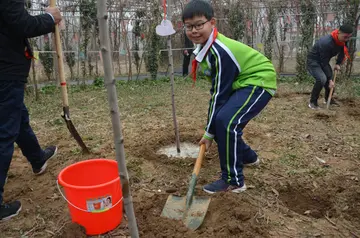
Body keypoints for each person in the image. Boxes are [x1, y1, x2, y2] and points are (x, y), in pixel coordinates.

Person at [182, 0, 277, 194]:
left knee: (226, 121)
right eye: (189, 26)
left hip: (258, 80)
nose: (194, 30)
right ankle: (248, 156)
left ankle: (233, 180)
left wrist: (209, 133)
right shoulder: (203, 49)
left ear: (212, 22)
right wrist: (210, 129)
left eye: (199, 24)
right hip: (241, 83)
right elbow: (216, 91)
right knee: (220, 121)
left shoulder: (219, 50)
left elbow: (220, 94)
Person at [0, 0, 62, 220]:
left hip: (7, 70)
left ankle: (37, 159)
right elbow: (22, 24)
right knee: (5, 133)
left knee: (17, 118)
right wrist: (49, 18)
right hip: (6, 72)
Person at [307, 24, 353, 109]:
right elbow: (323, 63)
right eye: (346, 37)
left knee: (329, 78)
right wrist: (330, 79)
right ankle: (312, 103)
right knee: (322, 79)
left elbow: (343, 51)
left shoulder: (342, 40)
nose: (347, 39)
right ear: (339, 33)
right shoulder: (326, 43)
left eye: (349, 37)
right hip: (314, 61)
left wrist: (338, 63)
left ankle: (329, 99)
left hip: (323, 61)